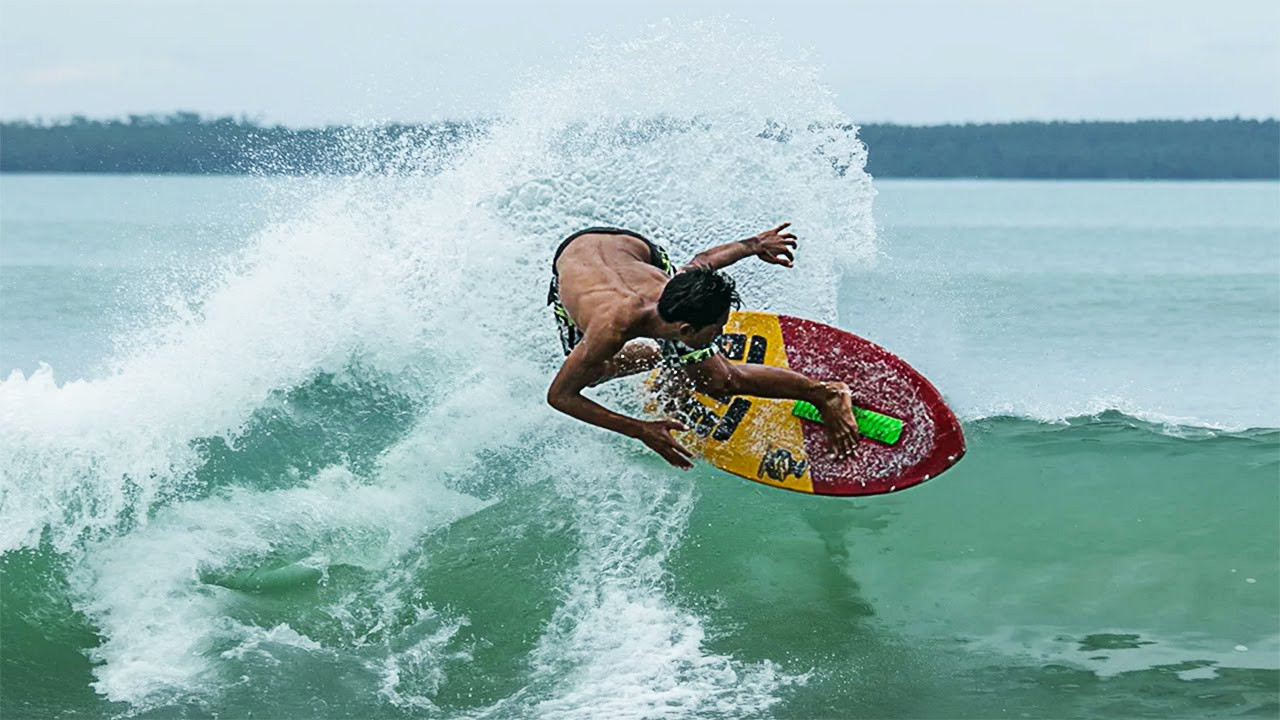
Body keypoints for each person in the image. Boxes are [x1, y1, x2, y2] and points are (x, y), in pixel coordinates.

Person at [545, 224, 859, 469]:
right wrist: (640, 429)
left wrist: (755, 245)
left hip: (631, 249)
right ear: (685, 329)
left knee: (720, 381)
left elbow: (703, 262)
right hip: (572, 262)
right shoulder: (608, 332)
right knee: (594, 371)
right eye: (717, 329)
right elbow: (561, 396)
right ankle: (665, 359)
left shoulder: (676, 285)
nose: (722, 332)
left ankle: (825, 393)